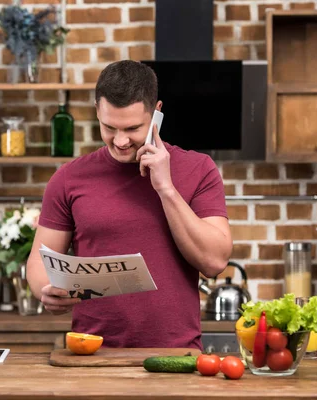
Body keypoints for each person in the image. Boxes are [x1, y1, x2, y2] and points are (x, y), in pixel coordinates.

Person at [26, 60, 232, 349]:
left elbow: (214, 262)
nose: (120, 141)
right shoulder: (67, 178)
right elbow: (39, 259)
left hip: (177, 354)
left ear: (156, 113)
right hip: (92, 353)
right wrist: (44, 289)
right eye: (109, 127)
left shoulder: (199, 169)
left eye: (133, 128)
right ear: (97, 111)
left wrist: (166, 188)